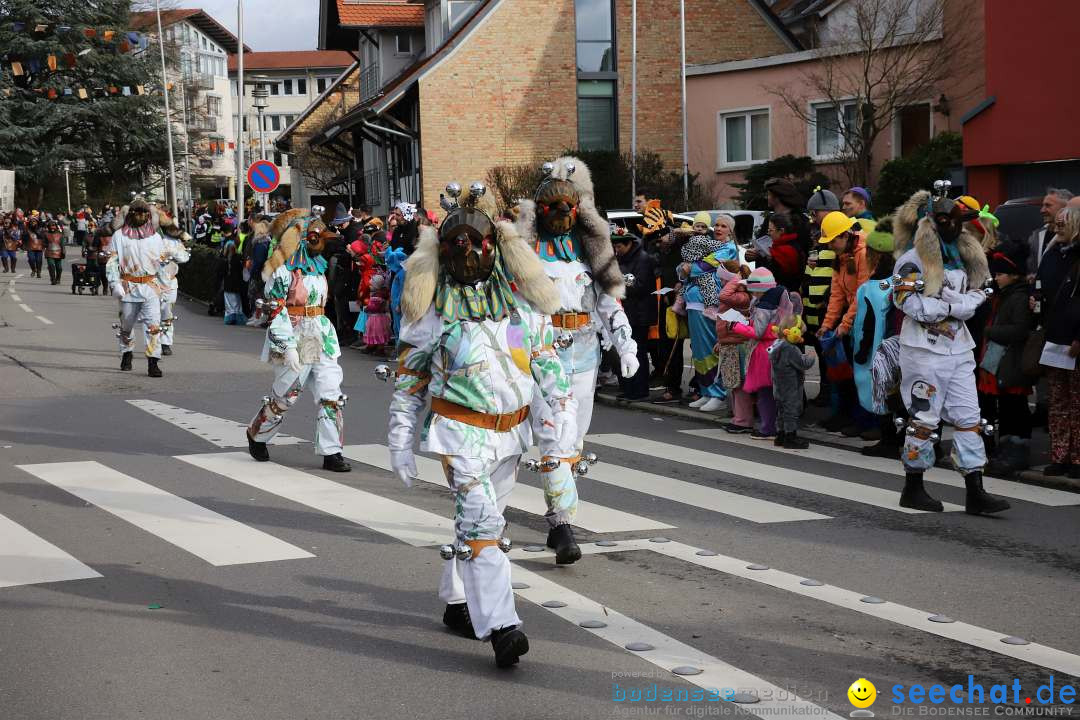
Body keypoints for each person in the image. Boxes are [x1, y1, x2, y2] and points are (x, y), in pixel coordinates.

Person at [387, 181, 576, 667]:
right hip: (460, 432)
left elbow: (546, 364)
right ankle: (503, 626)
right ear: (444, 251)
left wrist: (556, 417)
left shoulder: (522, 305)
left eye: (478, 241)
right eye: (457, 242)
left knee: (479, 524)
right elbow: (410, 382)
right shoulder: (430, 316)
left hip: (510, 433)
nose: (468, 250)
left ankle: (457, 602)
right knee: (483, 524)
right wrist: (401, 441)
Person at [516, 157, 637, 564]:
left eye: (569, 207)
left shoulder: (589, 251)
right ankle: (565, 525)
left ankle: (556, 517)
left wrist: (626, 344)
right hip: (544, 355)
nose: (562, 215)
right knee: (554, 435)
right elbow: (516, 307)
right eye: (553, 208)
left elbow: (607, 300)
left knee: (574, 440)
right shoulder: (527, 253)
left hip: (585, 355)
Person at [890, 184, 1010, 515]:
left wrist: (953, 304)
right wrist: (952, 307)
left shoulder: (964, 257)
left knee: (969, 418)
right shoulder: (911, 260)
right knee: (924, 419)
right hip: (923, 352)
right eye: (945, 220)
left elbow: (978, 296)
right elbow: (906, 302)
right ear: (930, 222)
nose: (954, 227)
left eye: (957, 220)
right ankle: (912, 487)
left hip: (958, 349)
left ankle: (976, 490)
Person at [245, 209, 351, 473]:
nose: (321, 242)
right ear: (300, 239)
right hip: (294, 334)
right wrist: (287, 345)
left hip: (320, 334)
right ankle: (257, 433)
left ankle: (331, 452)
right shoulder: (282, 272)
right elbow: (276, 310)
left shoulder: (317, 268)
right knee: (286, 397)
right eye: (316, 236)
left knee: (331, 394)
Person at [105, 197, 190, 377]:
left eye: (144, 212)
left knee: (153, 326)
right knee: (126, 324)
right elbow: (112, 261)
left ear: (149, 216)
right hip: (128, 286)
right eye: (137, 212)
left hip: (150, 287)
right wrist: (114, 283)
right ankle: (127, 353)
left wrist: (164, 284)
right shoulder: (119, 236)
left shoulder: (155, 237)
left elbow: (159, 263)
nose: (141, 215)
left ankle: (153, 361)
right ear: (130, 214)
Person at [978, 241, 1035, 477]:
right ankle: (1007, 447)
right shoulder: (1005, 296)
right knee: (1008, 408)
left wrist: (990, 331)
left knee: (1015, 408)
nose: (996, 278)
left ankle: (1017, 449)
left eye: (1000, 274)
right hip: (1002, 361)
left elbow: (1021, 329)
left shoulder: (1018, 298)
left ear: (1013, 275)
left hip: (1012, 362)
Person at [816, 211, 872, 436]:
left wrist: (845, 324)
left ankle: (865, 421)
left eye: (832, 241)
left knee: (861, 371)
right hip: (852, 318)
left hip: (866, 319)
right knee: (846, 372)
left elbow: (862, 294)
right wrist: (828, 324)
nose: (830, 246)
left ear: (845, 235)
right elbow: (837, 294)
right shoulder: (841, 257)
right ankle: (846, 415)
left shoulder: (863, 254)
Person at [852, 218, 903, 456]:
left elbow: (868, 324)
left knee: (880, 391)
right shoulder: (900, 280)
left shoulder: (872, 287)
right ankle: (901, 438)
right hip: (900, 346)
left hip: (878, 349)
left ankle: (889, 441)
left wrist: (861, 350)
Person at [1038, 207, 1080, 478]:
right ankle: (1060, 456)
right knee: (1058, 402)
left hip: (1074, 340)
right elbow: (1042, 284)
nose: (1057, 227)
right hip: (1054, 338)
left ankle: (1077, 459)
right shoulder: (1053, 253)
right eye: (1057, 222)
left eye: (1063, 222)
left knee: (1077, 402)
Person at [678, 212, 734, 412]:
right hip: (694, 304)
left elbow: (703, 266)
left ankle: (718, 393)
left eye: (723, 226)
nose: (718, 229)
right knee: (699, 350)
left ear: (731, 231)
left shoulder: (728, 249)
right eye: (716, 225)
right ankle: (706, 390)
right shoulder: (706, 243)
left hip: (710, 306)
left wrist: (688, 268)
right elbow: (683, 268)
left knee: (711, 349)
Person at [612, 230, 656, 401]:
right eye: (615, 246)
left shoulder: (643, 259)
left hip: (639, 313)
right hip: (626, 311)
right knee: (624, 350)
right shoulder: (620, 259)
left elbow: (640, 285)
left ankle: (640, 389)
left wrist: (618, 282)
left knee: (638, 352)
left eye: (620, 246)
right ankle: (629, 387)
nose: (617, 249)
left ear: (629, 244)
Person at [769, 316, 815, 449]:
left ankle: (780, 434)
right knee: (791, 411)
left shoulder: (776, 344)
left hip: (778, 385)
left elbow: (769, 354)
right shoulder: (791, 349)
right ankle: (791, 436)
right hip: (790, 385)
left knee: (781, 410)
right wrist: (810, 356)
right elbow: (802, 363)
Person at [1027, 188, 1073, 279]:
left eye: (1048, 205)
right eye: (1043, 205)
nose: (1042, 210)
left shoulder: (1074, 236)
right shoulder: (1036, 236)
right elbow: (1032, 267)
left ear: (1065, 207)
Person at [43, 220, 65, 284]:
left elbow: (62, 244)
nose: (52, 227)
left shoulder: (60, 235)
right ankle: (53, 279)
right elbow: (44, 243)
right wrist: (46, 244)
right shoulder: (46, 234)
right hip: (49, 252)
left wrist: (63, 251)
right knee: (51, 265)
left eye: (53, 225)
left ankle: (58, 278)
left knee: (59, 267)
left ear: (56, 226)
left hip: (58, 252)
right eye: (50, 226)